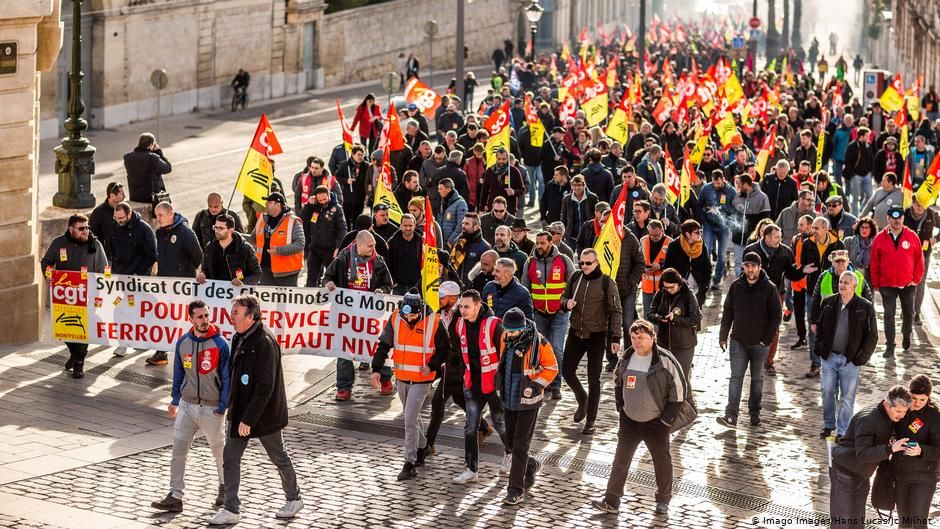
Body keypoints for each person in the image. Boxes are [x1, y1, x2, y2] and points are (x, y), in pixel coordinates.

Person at [209, 295, 302, 525]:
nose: (231, 317)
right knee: (230, 457)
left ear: (251, 316)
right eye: (232, 313)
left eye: (236, 313)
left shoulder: (264, 342)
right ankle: (231, 508)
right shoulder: (238, 337)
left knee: (278, 456)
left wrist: (248, 419)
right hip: (240, 411)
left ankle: (294, 498)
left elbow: (265, 386)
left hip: (263, 415)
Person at [591, 320, 690, 516]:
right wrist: (621, 407)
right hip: (630, 420)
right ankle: (611, 500)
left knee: (662, 462)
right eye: (634, 337)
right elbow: (617, 380)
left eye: (642, 338)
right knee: (620, 461)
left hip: (656, 423)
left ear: (652, 338)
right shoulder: (626, 356)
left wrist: (665, 421)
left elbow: (679, 392)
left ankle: (663, 500)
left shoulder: (665, 360)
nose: (637, 342)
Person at [151, 300, 230, 513]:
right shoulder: (183, 342)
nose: (205, 320)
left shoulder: (221, 344)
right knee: (178, 451)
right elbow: (178, 373)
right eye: (200, 317)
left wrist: (223, 406)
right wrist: (175, 400)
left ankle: (225, 487)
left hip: (212, 409)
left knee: (219, 451)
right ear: (191, 319)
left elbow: (226, 378)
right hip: (187, 406)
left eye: (206, 316)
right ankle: (175, 496)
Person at [370, 291, 449, 481]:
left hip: (422, 380)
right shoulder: (397, 317)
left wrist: (431, 366)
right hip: (402, 377)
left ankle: (409, 463)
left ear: (420, 310)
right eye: (407, 315)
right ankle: (423, 447)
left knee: (409, 419)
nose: (409, 318)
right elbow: (384, 344)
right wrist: (376, 369)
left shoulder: (434, 322)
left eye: (413, 315)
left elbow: (445, 349)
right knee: (411, 417)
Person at [446, 290, 513, 484]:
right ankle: (471, 469)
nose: (463, 311)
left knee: (500, 423)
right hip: (472, 383)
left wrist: (503, 382)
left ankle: (510, 453)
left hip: (492, 384)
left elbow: (506, 353)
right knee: (470, 427)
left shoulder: (494, 325)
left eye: (467, 307)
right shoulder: (458, 325)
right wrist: (461, 376)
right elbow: (458, 352)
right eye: (461, 307)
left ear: (478, 305)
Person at [496, 308, 558, 505]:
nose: (509, 334)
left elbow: (552, 368)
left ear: (522, 329)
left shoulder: (539, 343)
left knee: (520, 445)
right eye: (507, 330)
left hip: (528, 402)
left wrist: (535, 385)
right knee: (512, 444)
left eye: (513, 331)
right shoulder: (505, 337)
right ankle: (530, 466)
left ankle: (515, 489)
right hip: (508, 398)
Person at [323, 231, 394, 400]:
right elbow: (327, 276)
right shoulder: (343, 258)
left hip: (369, 314)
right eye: (370, 246)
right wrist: (329, 284)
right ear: (359, 245)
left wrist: (381, 291)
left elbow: (387, 283)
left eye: (374, 245)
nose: (373, 248)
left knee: (377, 346)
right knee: (344, 349)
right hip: (346, 314)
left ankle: (385, 377)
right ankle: (344, 387)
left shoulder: (378, 261)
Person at [830, 386, 913, 529]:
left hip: (862, 475)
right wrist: (890, 449)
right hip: (844, 473)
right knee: (842, 523)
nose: (902, 416)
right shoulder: (868, 419)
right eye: (899, 411)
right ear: (887, 404)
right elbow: (863, 454)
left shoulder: (890, 416)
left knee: (857, 522)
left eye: (905, 412)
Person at [717, 252, 782, 428]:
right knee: (735, 378)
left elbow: (776, 316)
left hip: (760, 344)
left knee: (756, 380)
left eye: (753, 266)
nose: (750, 269)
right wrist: (723, 335)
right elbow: (728, 311)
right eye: (747, 265)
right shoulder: (736, 286)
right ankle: (731, 415)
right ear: (743, 267)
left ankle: (754, 412)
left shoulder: (770, 288)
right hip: (738, 341)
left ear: (760, 267)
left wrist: (766, 339)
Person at [561, 248, 623, 435]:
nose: (584, 266)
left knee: (593, 379)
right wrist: (566, 304)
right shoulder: (575, 278)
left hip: (597, 334)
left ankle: (591, 420)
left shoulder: (606, 282)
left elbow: (616, 311)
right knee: (567, 371)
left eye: (588, 263)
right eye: (582, 263)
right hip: (575, 333)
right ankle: (582, 398)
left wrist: (615, 338)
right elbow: (563, 297)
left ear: (596, 263)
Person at [40, 214, 107, 378]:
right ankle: (73, 354)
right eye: (81, 228)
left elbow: (105, 269)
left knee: (83, 331)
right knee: (66, 330)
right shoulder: (59, 243)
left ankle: (79, 363)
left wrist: (104, 286)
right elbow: (46, 261)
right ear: (71, 229)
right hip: (65, 295)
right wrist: (49, 275)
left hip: (87, 296)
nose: (86, 231)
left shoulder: (95, 245)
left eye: (87, 227)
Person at [813, 271, 878, 441]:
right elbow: (819, 327)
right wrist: (819, 347)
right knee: (827, 391)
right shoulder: (828, 302)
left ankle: (842, 431)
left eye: (846, 282)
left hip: (850, 361)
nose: (842, 284)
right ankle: (828, 425)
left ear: (855, 286)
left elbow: (872, 335)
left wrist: (861, 358)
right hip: (829, 358)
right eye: (841, 281)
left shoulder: (865, 306)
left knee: (847, 396)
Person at [742, 223, 803, 376]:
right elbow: (743, 273)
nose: (779, 240)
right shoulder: (751, 250)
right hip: (754, 294)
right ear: (766, 237)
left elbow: (791, 274)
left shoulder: (785, 251)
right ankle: (751, 357)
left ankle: (769, 362)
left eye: (780, 237)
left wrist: (803, 272)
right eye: (776, 237)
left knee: (774, 328)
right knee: (753, 325)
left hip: (776, 294)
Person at [148, 202, 204, 365]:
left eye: (160, 215)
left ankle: (189, 353)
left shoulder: (185, 232)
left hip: (182, 288)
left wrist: (186, 273)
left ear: (171, 213)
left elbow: (198, 257)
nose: (157, 219)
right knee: (163, 318)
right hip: (164, 286)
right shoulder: (159, 233)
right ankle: (161, 352)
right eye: (156, 215)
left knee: (183, 320)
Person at [523, 231, 575, 401]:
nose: (538, 246)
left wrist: (566, 304)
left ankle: (556, 385)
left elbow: (574, 286)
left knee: (557, 349)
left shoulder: (564, 261)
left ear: (551, 243)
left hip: (559, 314)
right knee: (538, 350)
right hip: (538, 313)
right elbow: (525, 288)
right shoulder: (530, 262)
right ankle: (540, 383)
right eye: (537, 243)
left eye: (542, 243)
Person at [870, 205, 925, 356]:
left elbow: (919, 260)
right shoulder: (880, 238)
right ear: (888, 219)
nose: (897, 221)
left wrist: (916, 279)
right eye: (893, 218)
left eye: (900, 218)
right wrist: (876, 283)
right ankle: (890, 344)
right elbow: (874, 262)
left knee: (909, 312)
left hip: (908, 284)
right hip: (887, 284)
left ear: (903, 219)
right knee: (889, 314)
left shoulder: (912, 236)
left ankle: (906, 334)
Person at [891, 375, 940, 529]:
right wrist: (892, 439)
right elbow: (891, 428)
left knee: (918, 523)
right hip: (901, 474)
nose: (917, 403)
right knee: (904, 523)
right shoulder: (902, 408)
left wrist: (921, 450)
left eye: (922, 400)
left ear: (928, 398)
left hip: (924, 478)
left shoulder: (934, 417)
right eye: (914, 398)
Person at [110, 201, 157, 358]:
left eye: (121, 217)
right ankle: (123, 343)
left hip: (137, 279)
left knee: (136, 312)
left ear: (129, 214)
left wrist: (140, 273)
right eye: (116, 218)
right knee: (120, 312)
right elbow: (111, 249)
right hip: (120, 278)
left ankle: (139, 342)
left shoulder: (143, 229)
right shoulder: (115, 227)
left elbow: (151, 254)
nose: (119, 221)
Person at [801, 216, 845, 377]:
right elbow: (803, 264)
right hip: (812, 292)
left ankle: (832, 361)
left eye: (816, 228)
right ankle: (815, 363)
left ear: (826, 228)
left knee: (834, 328)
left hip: (834, 295)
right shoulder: (808, 244)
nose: (813, 231)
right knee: (813, 328)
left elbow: (844, 266)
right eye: (812, 228)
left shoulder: (838, 244)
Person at [647, 268, 701, 380]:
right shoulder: (661, 293)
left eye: (671, 287)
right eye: (666, 287)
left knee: (681, 378)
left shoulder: (688, 295)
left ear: (678, 283)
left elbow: (695, 319)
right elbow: (650, 314)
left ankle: (686, 398)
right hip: (664, 343)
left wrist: (675, 319)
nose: (669, 290)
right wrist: (660, 318)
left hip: (684, 345)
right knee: (664, 377)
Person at [252, 192, 304, 287]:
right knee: (267, 301)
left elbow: (300, 245)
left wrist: (278, 251)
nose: (266, 204)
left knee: (286, 301)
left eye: (269, 202)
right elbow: (252, 239)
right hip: (265, 270)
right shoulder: (262, 219)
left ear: (278, 204)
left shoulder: (293, 221)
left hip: (287, 272)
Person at [300, 185, 347, 287]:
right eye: (320, 200)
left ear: (329, 195)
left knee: (333, 279)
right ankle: (311, 300)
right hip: (314, 249)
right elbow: (302, 218)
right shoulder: (313, 207)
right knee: (311, 280)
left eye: (325, 199)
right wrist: (308, 204)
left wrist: (338, 246)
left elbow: (343, 229)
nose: (323, 202)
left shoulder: (337, 209)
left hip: (330, 250)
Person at [198, 214, 262, 285]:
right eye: (215, 227)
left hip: (237, 293)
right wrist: (202, 274)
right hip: (214, 292)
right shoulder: (210, 247)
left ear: (231, 230)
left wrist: (243, 282)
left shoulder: (245, 249)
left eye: (220, 228)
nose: (216, 231)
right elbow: (205, 269)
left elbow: (257, 274)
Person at [699, 170, 737, 289]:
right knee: (706, 252)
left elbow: (735, 209)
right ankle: (706, 277)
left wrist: (722, 210)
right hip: (709, 225)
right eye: (714, 183)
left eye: (719, 184)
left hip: (723, 226)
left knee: (721, 255)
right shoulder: (706, 189)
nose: (716, 186)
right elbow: (699, 205)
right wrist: (704, 219)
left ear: (723, 180)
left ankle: (717, 279)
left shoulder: (731, 191)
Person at [663, 220, 712, 309]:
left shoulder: (701, 245)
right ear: (688, 234)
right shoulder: (674, 245)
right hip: (679, 291)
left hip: (697, 289)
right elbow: (667, 269)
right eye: (697, 232)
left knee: (696, 318)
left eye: (700, 232)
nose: (699, 234)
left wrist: (705, 286)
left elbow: (707, 267)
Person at [904, 201, 939, 324]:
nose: (920, 207)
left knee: (920, 282)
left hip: (924, 253)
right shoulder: (906, 213)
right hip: (907, 253)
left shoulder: (931, 214)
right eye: (917, 204)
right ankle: (906, 310)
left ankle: (916, 312)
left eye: (922, 204)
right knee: (907, 282)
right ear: (912, 204)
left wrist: (936, 238)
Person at [124, 132, 171, 203]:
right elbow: (167, 168)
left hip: (135, 197)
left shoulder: (128, 157)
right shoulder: (152, 158)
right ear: (151, 145)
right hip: (151, 199)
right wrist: (158, 152)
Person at [639, 220, 672, 318]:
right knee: (648, 317)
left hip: (664, 289)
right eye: (651, 235)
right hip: (647, 287)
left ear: (662, 230)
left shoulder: (670, 242)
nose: (653, 238)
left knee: (662, 318)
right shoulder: (643, 241)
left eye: (656, 235)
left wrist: (661, 266)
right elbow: (638, 260)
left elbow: (674, 264)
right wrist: (643, 269)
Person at [480, 148, 526, 213]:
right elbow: (484, 190)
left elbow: (522, 189)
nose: (501, 161)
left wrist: (514, 191)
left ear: (508, 159)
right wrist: (481, 208)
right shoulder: (490, 171)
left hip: (509, 209)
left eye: (504, 159)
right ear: (496, 158)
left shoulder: (514, 171)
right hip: (493, 209)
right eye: (499, 159)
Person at [387, 214, 423, 295]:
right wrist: (393, 280)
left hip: (416, 285)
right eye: (405, 225)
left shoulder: (421, 243)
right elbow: (388, 262)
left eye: (410, 225)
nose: (408, 228)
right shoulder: (392, 242)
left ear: (414, 226)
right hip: (398, 285)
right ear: (400, 226)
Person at [451, 213, 491, 285]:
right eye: (463, 223)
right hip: (454, 287)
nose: (463, 226)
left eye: (467, 224)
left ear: (476, 227)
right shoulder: (457, 242)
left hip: (472, 289)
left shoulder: (485, 247)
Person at [87, 182, 125, 259]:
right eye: (122, 194)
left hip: (124, 256)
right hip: (107, 257)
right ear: (112, 196)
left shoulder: (126, 210)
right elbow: (92, 235)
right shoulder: (98, 213)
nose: (125, 196)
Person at [336, 145, 371, 227]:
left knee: (357, 219)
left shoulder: (366, 166)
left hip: (360, 197)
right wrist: (346, 180)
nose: (360, 157)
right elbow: (337, 176)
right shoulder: (345, 164)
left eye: (362, 155)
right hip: (347, 197)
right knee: (346, 218)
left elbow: (369, 178)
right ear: (353, 154)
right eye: (358, 155)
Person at [439, 178, 469, 248]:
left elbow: (461, 224)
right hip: (443, 242)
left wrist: (451, 241)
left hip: (452, 244)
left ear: (448, 189)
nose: (438, 191)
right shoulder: (444, 202)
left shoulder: (460, 203)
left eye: (441, 189)